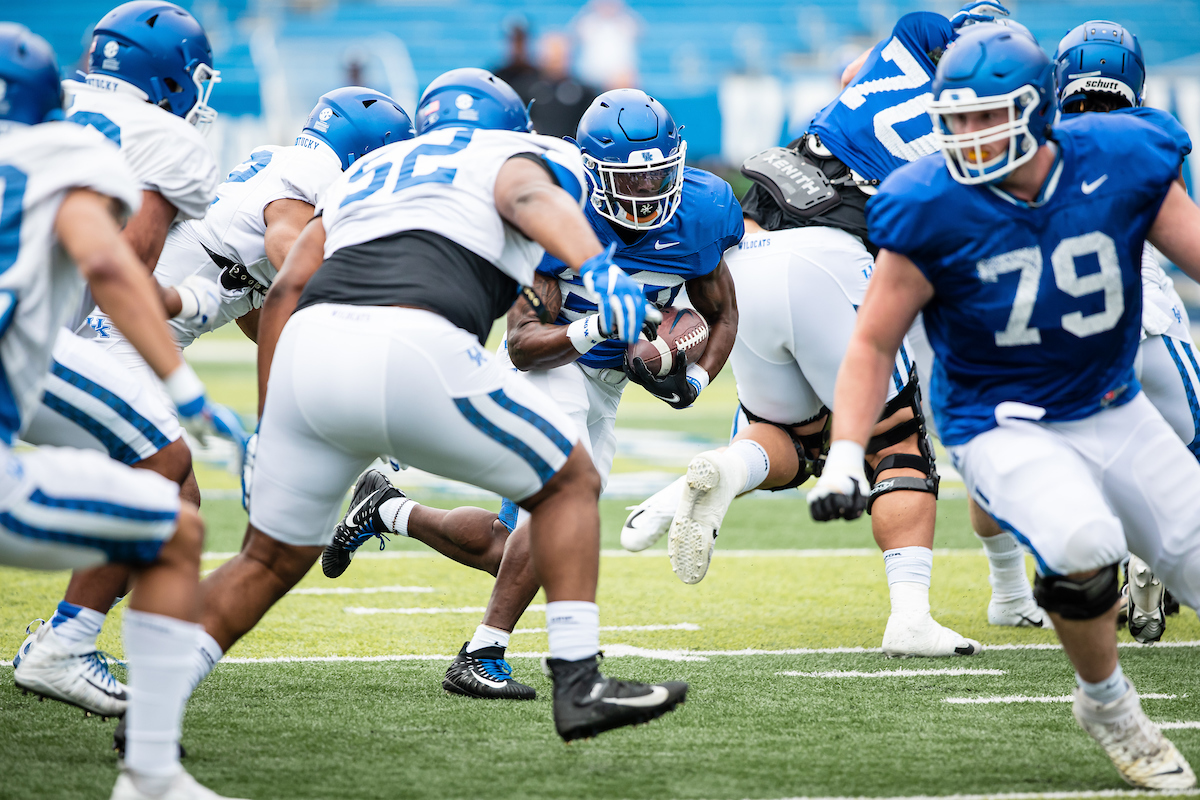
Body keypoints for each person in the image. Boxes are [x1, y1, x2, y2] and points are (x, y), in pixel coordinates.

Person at [187, 68, 687, 742]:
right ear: (510, 127)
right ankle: (579, 682)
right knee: (571, 481)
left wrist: (275, 420)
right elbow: (523, 188)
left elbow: (285, 291)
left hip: (310, 353)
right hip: (412, 339)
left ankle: (151, 710)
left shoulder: (365, 174)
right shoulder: (505, 153)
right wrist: (596, 267)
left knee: (265, 562)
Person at [809, 24, 1200, 789]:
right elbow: (871, 343)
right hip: (997, 419)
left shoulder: (1120, 161)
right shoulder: (929, 203)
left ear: (1038, 110)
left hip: (1108, 401)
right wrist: (847, 455)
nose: (967, 136)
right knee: (1082, 542)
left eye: (986, 118)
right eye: (955, 120)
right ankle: (1109, 704)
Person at [623, 3, 1022, 658]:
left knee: (790, 436)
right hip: (835, 254)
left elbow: (850, 75)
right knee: (895, 438)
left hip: (754, 243)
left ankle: (727, 466)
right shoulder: (985, 143)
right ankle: (910, 617)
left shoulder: (917, 32)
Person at [323, 88, 741, 698]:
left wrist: (691, 377)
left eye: (656, 178)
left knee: (522, 549)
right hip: (549, 368)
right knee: (559, 513)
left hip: (607, 383)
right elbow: (521, 343)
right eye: (630, 181)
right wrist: (598, 324)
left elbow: (722, 314)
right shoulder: (558, 208)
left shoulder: (704, 209)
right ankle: (483, 652)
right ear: (594, 174)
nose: (646, 196)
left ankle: (387, 509)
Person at [0, 24, 242, 800]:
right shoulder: (163, 136)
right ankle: (119, 726)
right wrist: (185, 386)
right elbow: (121, 266)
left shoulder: (48, 115)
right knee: (170, 486)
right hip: (24, 342)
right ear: (174, 76)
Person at [526, 33, 597, 139]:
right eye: (551, 58)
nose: (556, 64)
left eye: (560, 58)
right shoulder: (527, 90)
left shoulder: (585, 94)